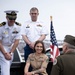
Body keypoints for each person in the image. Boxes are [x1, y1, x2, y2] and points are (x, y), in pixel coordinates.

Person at [0, 10, 21, 75]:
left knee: (6, 68)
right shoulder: (1, 27)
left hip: (11, 48)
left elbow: (16, 41)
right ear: (7, 17)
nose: (12, 20)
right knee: (6, 70)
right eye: (11, 18)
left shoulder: (18, 27)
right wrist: (5, 53)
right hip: (2, 48)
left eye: (14, 18)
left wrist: (11, 52)